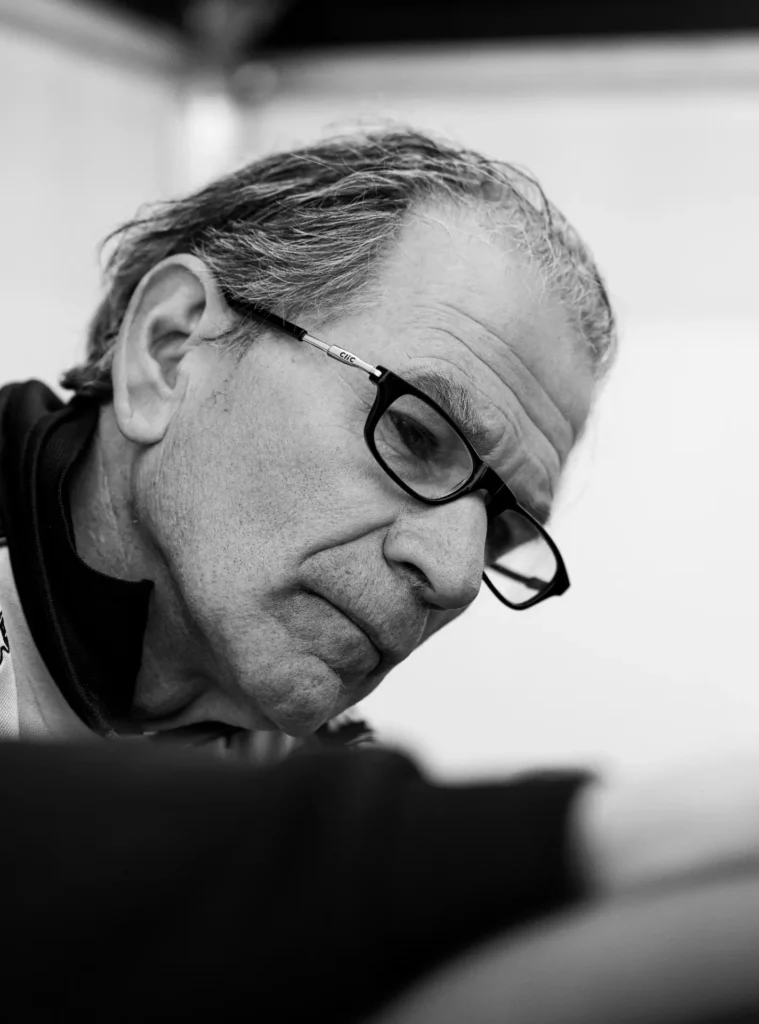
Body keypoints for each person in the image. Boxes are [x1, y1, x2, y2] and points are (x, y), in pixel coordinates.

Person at [0, 128, 754, 1022]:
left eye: (501, 527)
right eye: (414, 434)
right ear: (168, 353)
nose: (455, 574)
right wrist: (589, 830)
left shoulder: (307, 782)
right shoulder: (334, 842)